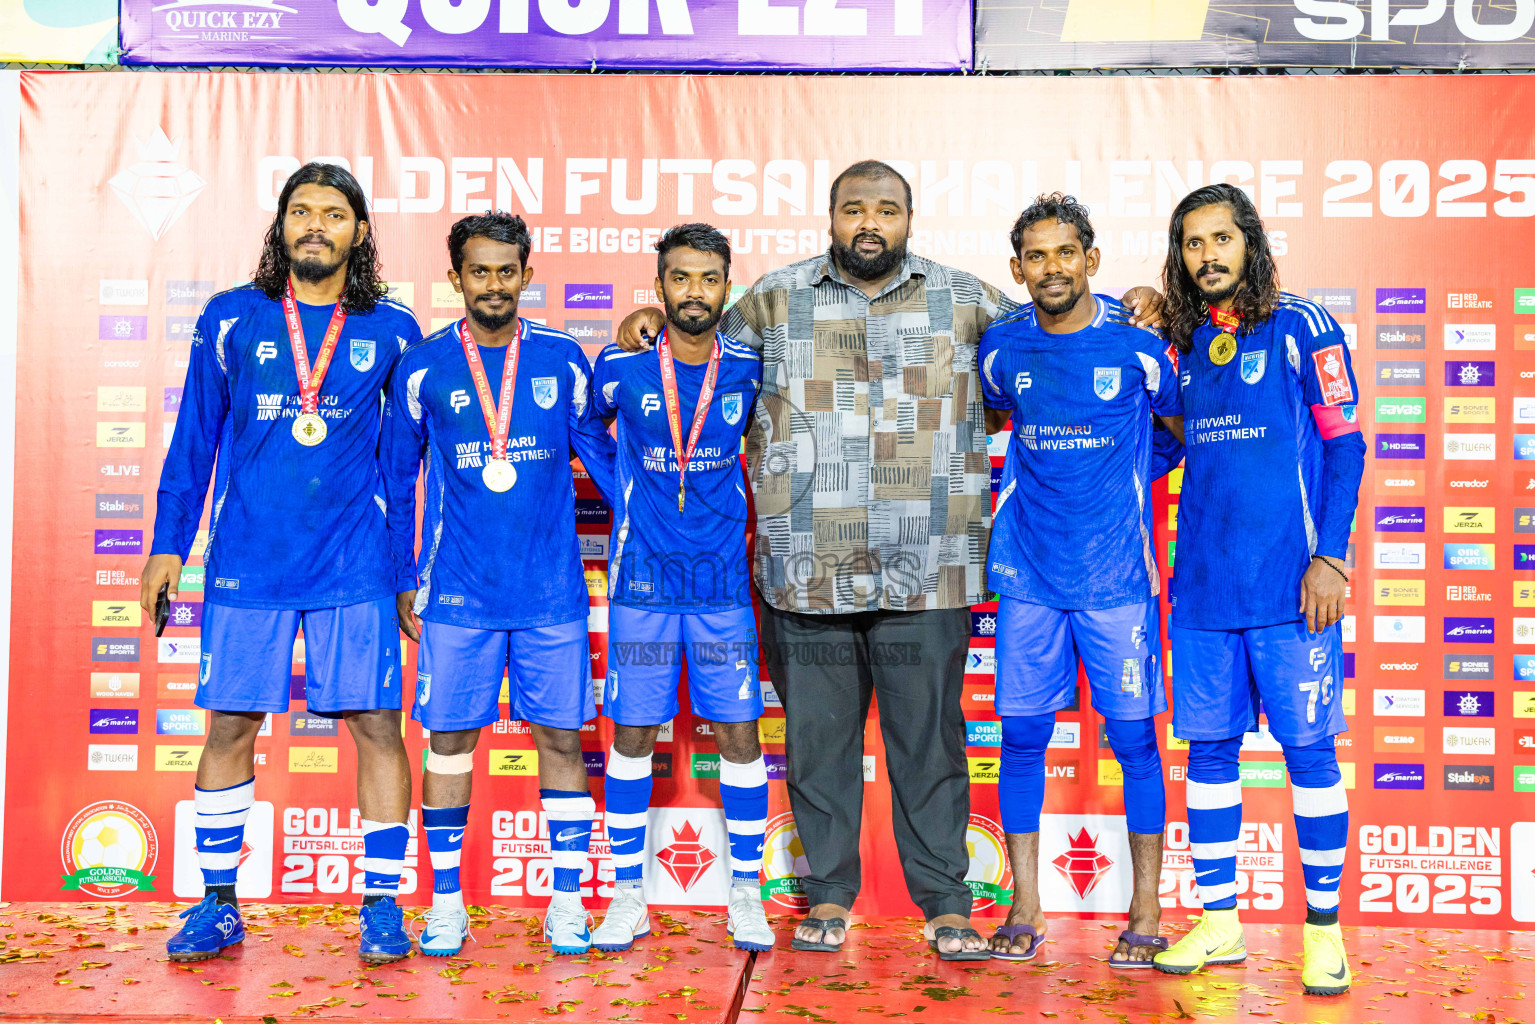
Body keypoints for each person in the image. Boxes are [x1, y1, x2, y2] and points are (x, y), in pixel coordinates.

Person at [614, 161, 1165, 959]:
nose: (868, 222)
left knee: (930, 742)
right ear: (829, 217)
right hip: (804, 569)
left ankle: (945, 901)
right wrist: (644, 319)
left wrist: (1129, 307)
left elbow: (1058, 325)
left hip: (928, 568)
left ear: (908, 218)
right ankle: (827, 897)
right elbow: (691, 347)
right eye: (852, 209)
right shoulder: (772, 298)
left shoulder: (966, 298)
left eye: (886, 209)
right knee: (816, 745)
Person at [142, 163, 423, 963]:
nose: (315, 226)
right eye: (301, 211)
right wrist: (167, 545)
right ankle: (218, 905)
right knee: (230, 723)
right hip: (248, 562)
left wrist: (405, 572)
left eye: (333, 214)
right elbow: (193, 439)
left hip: (355, 563)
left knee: (376, 726)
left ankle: (380, 906)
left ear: (359, 232)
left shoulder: (392, 330)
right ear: (280, 225)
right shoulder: (232, 318)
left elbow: (404, 467)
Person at [380, 212, 617, 958]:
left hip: (550, 593)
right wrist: (398, 578)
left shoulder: (561, 358)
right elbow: (395, 477)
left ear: (526, 274)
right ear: (455, 278)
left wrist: (652, 530)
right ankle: (445, 903)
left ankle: (568, 902)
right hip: (456, 594)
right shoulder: (421, 367)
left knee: (560, 739)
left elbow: (606, 461)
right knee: (448, 743)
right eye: (477, 271)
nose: (492, 284)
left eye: (505, 270)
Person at [1150, 184, 1362, 996]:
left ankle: (1322, 931)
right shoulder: (1177, 342)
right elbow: (1173, 447)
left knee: (1309, 753)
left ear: (1249, 242)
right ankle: (1220, 923)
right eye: (1192, 243)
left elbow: (1344, 448)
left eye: (1220, 239)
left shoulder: (1304, 326)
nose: (1207, 255)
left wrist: (1330, 559)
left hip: (1291, 585)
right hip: (1201, 588)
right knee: (1208, 755)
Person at [978, 194, 1182, 966]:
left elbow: (1177, 432)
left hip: (1117, 579)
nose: (1052, 267)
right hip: (1028, 575)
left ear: (1091, 260)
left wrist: (1126, 472)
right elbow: (992, 413)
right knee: (1023, 737)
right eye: (1036, 256)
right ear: (1017, 269)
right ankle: (1024, 906)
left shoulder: (1139, 349)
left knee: (1133, 740)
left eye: (1066, 252)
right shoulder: (1000, 352)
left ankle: (1147, 910)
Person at [585, 223, 773, 953]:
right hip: (642, 587)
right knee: (631, 736)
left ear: (727, 287)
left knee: (739, 737)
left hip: (722, 586)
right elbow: (581, 428)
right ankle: (627, 896)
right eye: (679, 279)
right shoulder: (620, 368)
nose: (693, 292)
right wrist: (623, 493)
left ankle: (746, 897)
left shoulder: (749, 369)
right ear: (657, 286)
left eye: (708, 279)